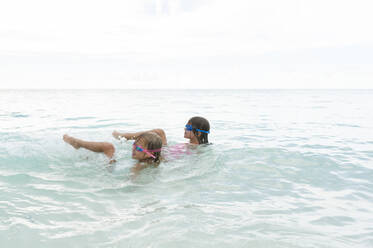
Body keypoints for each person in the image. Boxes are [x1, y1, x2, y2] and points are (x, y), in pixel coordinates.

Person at [63, 132, 163, 171]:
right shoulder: (155, 158)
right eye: (134, 145)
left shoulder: (138, 166)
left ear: (150, 154)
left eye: (138, 148)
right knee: (159, 131)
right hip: (117, 167)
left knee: (108, 147)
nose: (133, 148)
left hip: (112, 169)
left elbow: (131, 181)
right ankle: (122, 135)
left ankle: (78, 143)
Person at [112, 116, 210, 145]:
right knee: (158, 133)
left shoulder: (195, 148)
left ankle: (123, 136)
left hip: (165, 157)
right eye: (185, 126)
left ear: (198, 133)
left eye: (188, 128)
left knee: (159, 132)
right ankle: (124, 137)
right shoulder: (192, 145)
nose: (185, 129)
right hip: (166, 154)